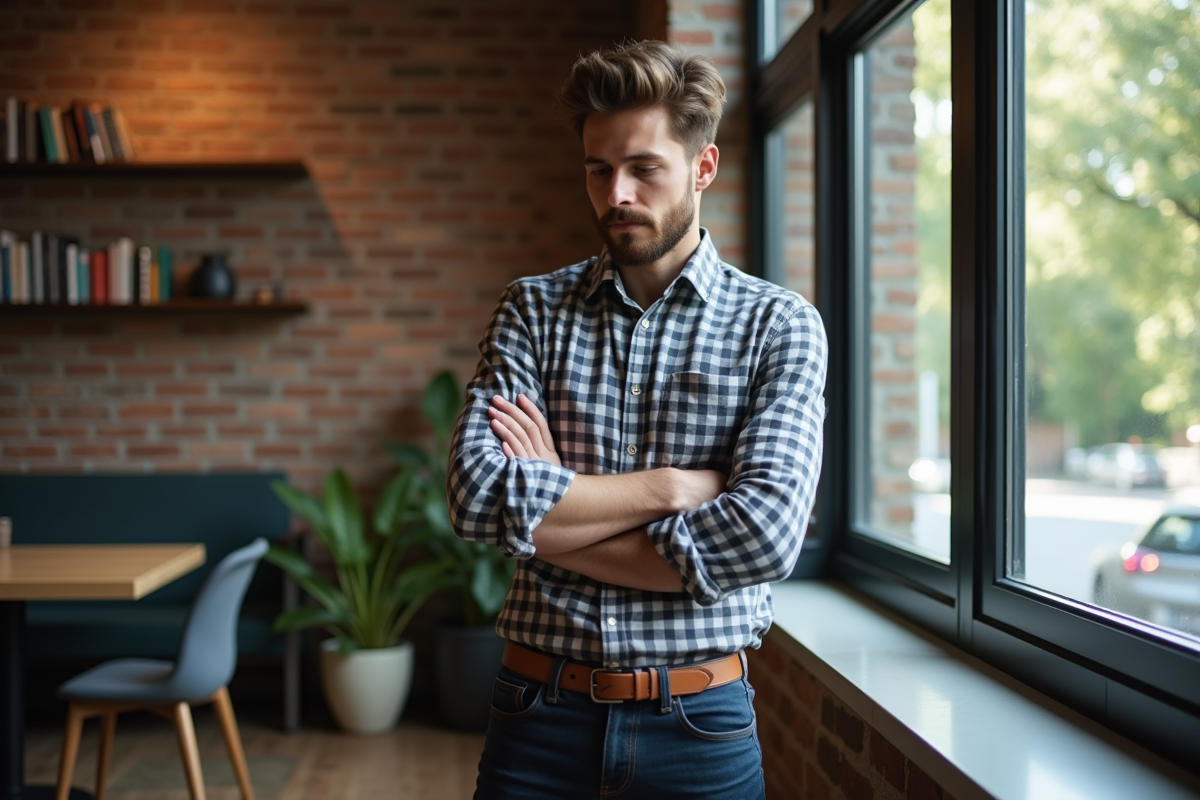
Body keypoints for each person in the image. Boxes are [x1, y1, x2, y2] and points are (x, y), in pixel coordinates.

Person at [446, 39, 827, 800]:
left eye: (644, 168)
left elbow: (764, 534)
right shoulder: (532, 309)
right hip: (537, 716)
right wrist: (671, 487)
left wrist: (555, 505)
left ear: (702, 168)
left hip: (701, 727)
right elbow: (478, 497)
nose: (616, 192)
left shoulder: (778, 326)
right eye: (598, 169)